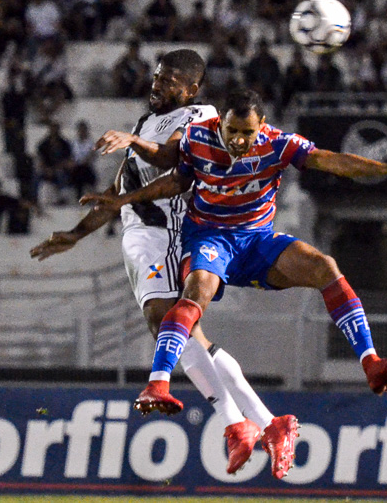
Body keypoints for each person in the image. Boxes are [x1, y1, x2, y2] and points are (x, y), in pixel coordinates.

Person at [83, 88, 387, 471]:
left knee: (324, 267)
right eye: (232, 131)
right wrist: (126, 200)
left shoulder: (277, 143)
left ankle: (370, 363)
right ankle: (160, 383)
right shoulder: (197, 137)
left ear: (261, 125)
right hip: (210, 239)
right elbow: (177, 181)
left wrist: (382, 169)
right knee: (195, 296)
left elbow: (330, 160)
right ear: (221, 122)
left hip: (257, 241)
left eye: (247, 132)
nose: (239, 140)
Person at [30, 50, 290, 479]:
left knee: (167, 323)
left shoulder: (201, 116)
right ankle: (259, 424)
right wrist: (76, 233)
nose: (157, 84)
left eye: (169, 80)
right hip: (140, 237)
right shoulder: (144, 123)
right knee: (187, 337)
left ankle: (244, 424)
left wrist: (134, 143)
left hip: (166, 232)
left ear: (191, 89)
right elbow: (119, 191)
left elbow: (169, 158)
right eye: (156, 76)